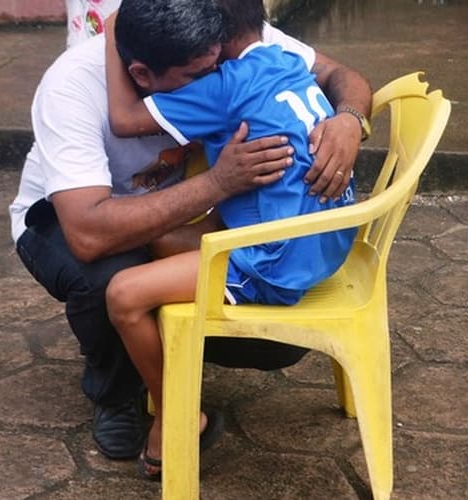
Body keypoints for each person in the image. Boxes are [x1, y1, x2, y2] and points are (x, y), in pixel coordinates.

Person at [9, 0, 372, 461]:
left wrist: (350, 120)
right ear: (141, 74)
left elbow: (343, 75)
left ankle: (167, 357)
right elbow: (87, 232)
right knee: (110, 279)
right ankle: (124, 396)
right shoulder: (73, 85)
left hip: (255, 243)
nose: (214, 71)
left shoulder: (219, 42)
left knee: (263, 340)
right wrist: (219, 183)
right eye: (199, 72)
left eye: (216, 61)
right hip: (66, 216)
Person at [104, 0, 360, 479]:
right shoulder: (285, 60)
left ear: (212, 40)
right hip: (328, 238)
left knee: (123, 295)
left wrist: (112, 27)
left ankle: (178, 415)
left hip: (276, 261)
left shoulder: (223, 85)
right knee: (155, 243)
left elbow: (123, 117)